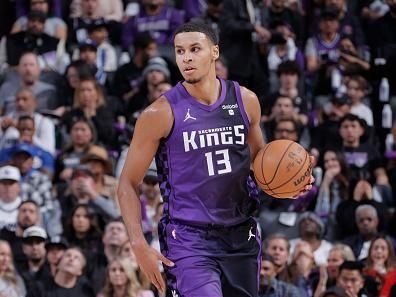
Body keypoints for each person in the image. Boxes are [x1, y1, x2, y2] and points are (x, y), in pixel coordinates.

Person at [117, 22, 313, 297]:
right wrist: (138, 243)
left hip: (240, 233)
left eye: (195, 49)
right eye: (180, 51)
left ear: (214, 52)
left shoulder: (246, 100)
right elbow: (127, 181)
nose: (186, 57)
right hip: (189, 238)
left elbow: (263, 166)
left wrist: (292, 182)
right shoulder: (160, 113)